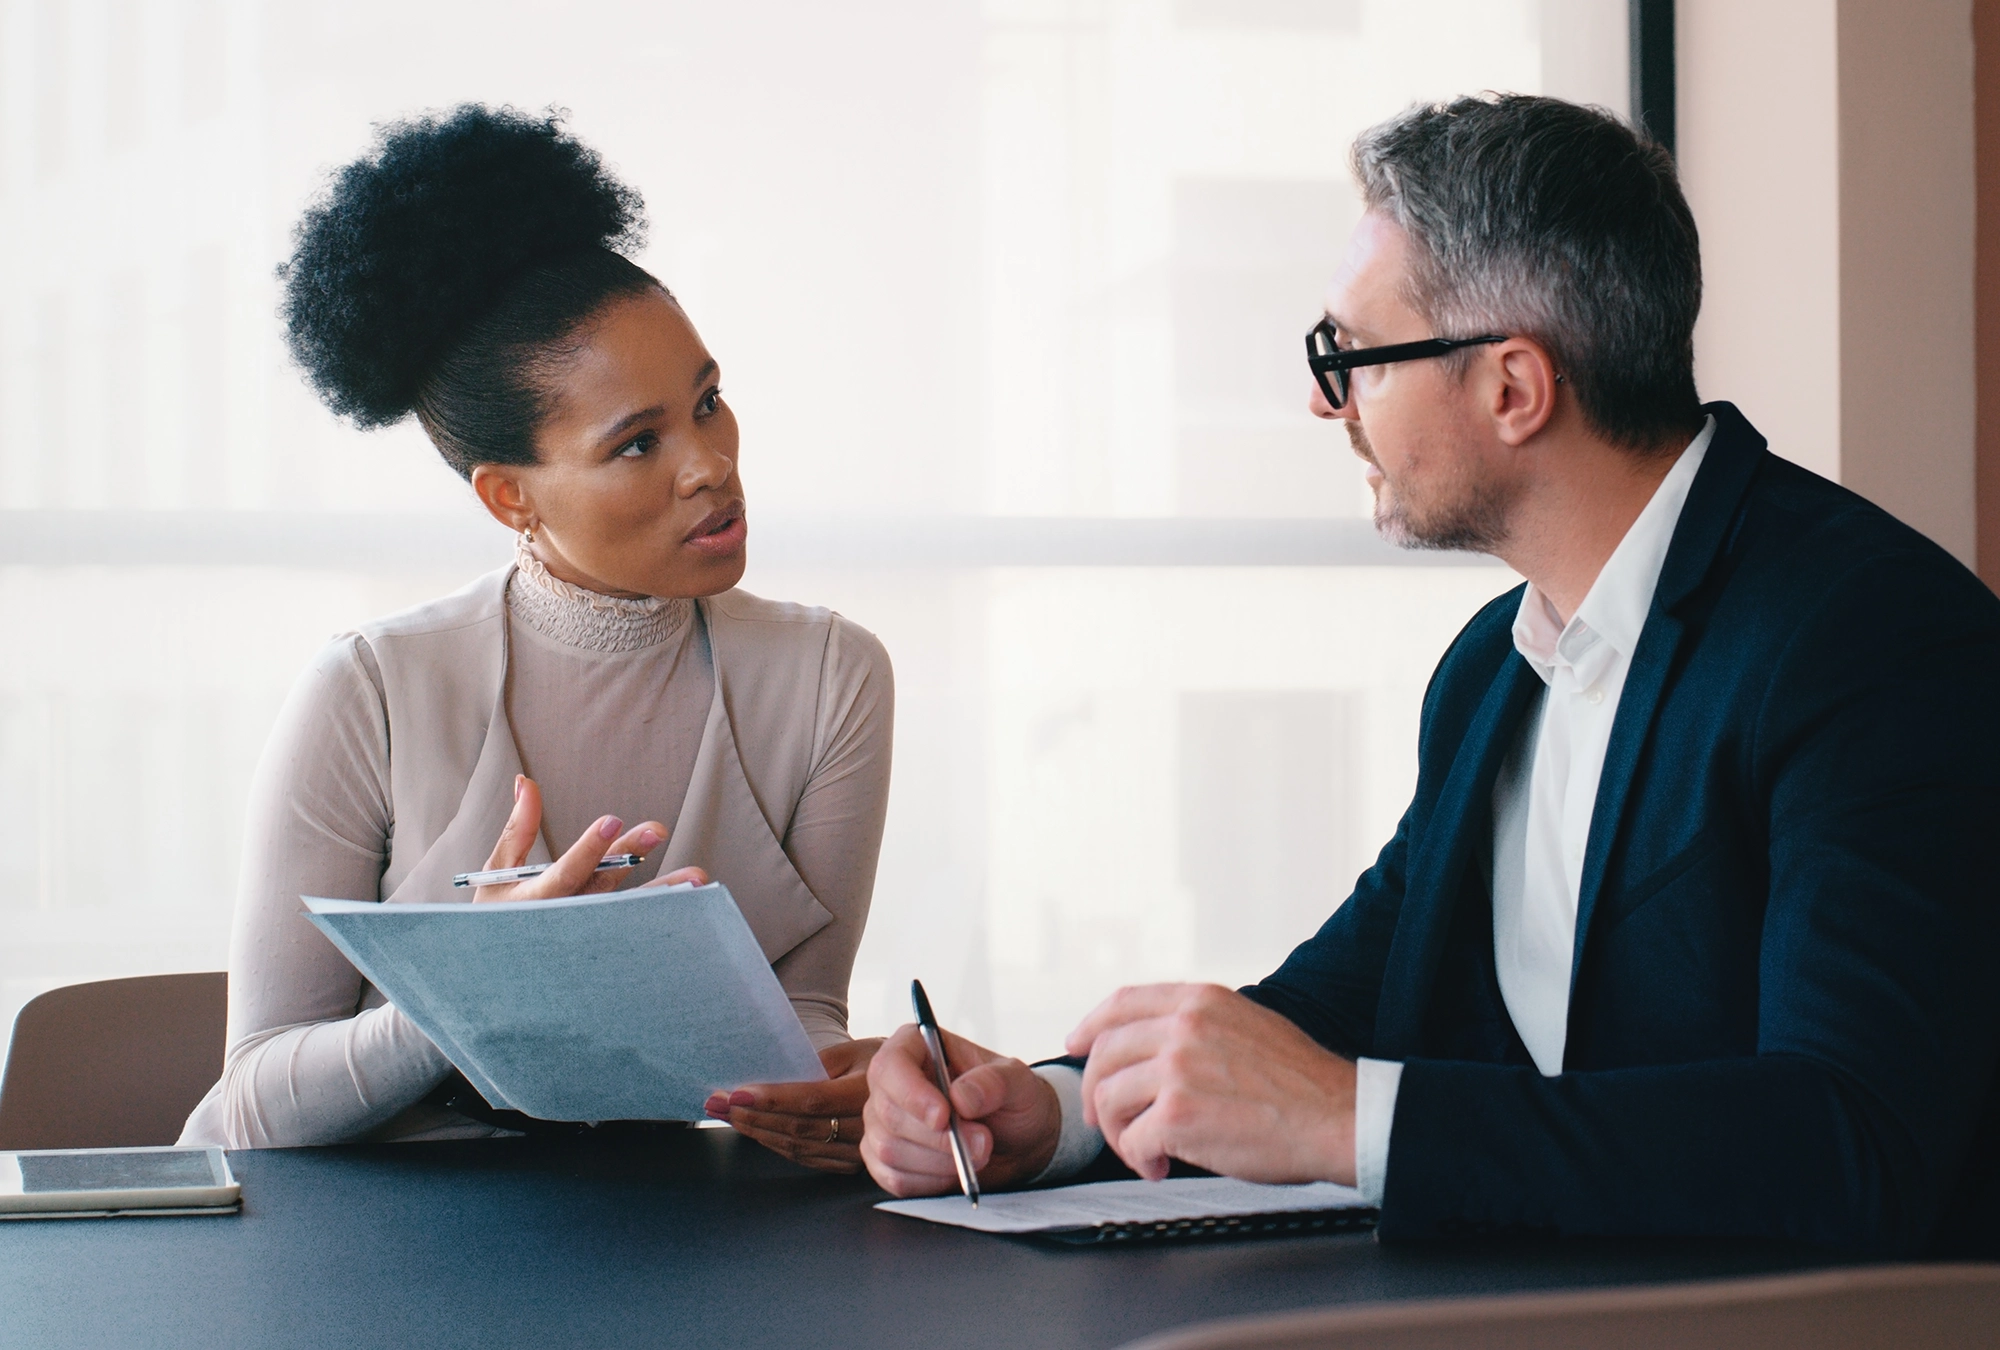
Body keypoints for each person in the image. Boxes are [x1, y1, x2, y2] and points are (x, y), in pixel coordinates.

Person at [861, 94, 2000, 1254]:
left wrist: (1344, 1120)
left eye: (1350, 356)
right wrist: (1057, 1113)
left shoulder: (1870, 639)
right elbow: (1347, 1002)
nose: (1323, 399)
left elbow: (1850, 1141)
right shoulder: (1490, 668)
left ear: (1512, 388)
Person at [179, 106, 893, 1169]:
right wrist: (478, 984)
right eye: (637, 443)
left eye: (708, 402)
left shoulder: (832, 677)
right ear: (509, 497)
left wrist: (859, 1092)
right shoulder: (371, 688)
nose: (709, 465)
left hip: (673, 1221)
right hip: (366, 1230)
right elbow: (251, 1105)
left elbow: (804, 1025)